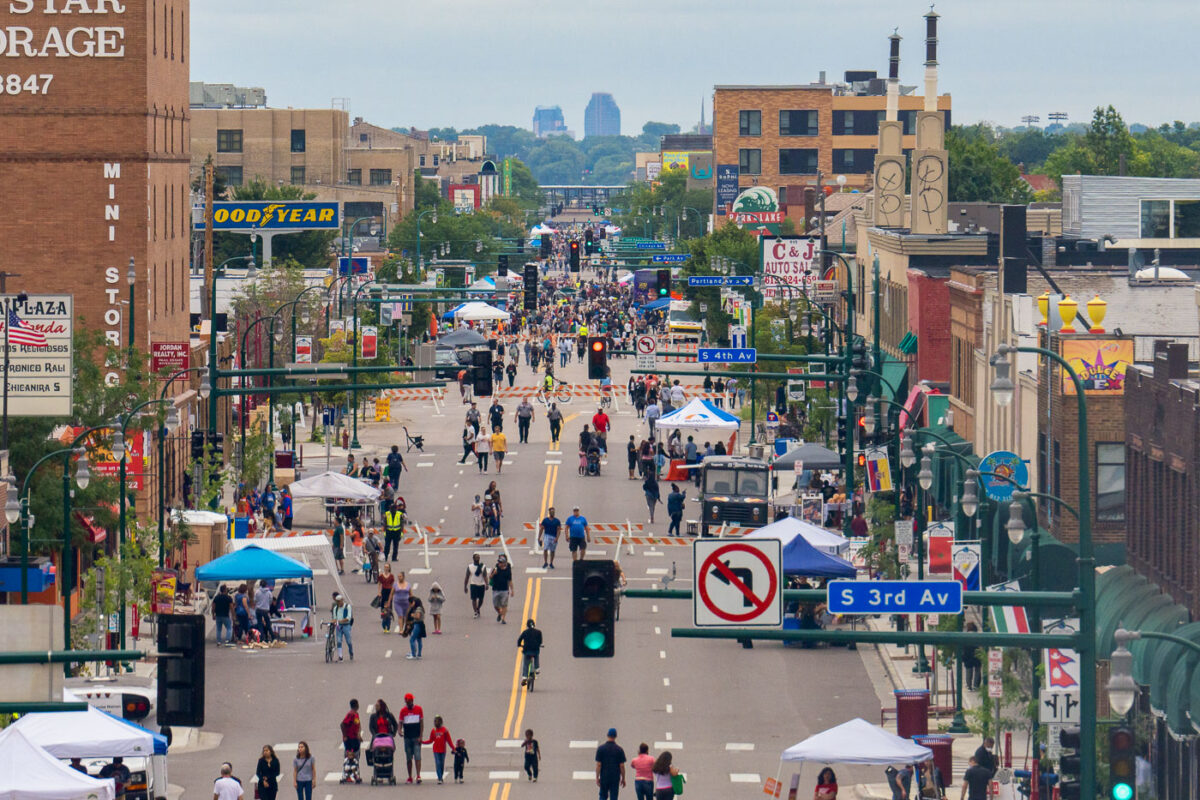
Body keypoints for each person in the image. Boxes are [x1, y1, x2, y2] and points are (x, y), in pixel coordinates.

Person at [399, 693, 425, 784]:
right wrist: (399, 731)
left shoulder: (419, 709)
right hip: (407, 738)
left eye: (410, 701)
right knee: (409, 758)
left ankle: (418, 775)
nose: (409, 702)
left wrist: (421, 736)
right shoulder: (403, 711)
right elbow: (400, 722)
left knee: (418, 757)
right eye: (407, 701)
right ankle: (410, 776)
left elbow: (421, 723)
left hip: (416, 737)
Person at [595, 728, 626, 800]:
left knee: (603, 795)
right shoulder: (619, 749)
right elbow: (622, 766)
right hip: (615, 777)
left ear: (607, 735)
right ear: (615, 736)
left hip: (604, 776)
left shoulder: (601, 749)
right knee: (614, 796)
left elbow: (599, 765)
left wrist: (597, 777)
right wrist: (623, 778)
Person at [424, 715, 454, 785]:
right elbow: (430, 741)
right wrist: (422, 742)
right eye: (435, 722)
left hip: (443, 750)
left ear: (441, 722)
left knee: (441, 764)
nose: (436, 723)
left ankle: (441, 775)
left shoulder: (445, 731)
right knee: (437, 763)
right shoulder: (433, 731)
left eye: (437, 722)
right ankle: (439, 778)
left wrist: (454, 748)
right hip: (436, 750)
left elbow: (449, 741)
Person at [339, 700, 362, 784]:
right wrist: (345, 736)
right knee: (350, 757)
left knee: (356, 757)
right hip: (350, 739)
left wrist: (359, 736)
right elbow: (342, 724)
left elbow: (357, 725)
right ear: (356, 705)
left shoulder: (356, 714)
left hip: (355, 738)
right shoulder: (351, 714)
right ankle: (348, 775)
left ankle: (355, 775)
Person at [517, 618, 543, 685]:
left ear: (527, 625)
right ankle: (537, 668)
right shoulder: (539, 632)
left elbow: (519, 639)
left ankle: (524, 677)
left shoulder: (525, 632)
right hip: (535, 650)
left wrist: (519, 645)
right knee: (536, 656)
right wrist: (539, 644)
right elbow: (540, 641)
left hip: (527, 650)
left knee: (526, 663)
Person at [491, 553, 514, 624]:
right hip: (496, 589)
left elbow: (510, 581)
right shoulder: (495, 569)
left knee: (504, 604)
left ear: (504, 563)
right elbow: (490, 577)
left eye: (501, 562)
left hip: (504, 590)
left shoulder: (507, 571)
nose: (499, 564)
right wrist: (493, 574)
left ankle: (503, 619)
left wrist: (512, 590)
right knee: (495, 605)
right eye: (499, 562)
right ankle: (500, 613)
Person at [465, 553, 489, 618]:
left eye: (478, 557)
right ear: (473, 559)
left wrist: (487, 584)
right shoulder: (470, 567)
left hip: (481, 584)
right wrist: (465, 586)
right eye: (476, 557)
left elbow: (485, 576)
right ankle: (475, 612)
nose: (477, 558)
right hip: (473, 584)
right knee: (474, 599)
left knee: (481, 599)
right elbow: (467, 577)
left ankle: (478, 608)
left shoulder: (483, 566)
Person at [331, 593, 353, 661]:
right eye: (337, 601)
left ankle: (351, 652)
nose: (338, 603)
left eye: (339, 601)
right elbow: (334, 617)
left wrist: (340, 621)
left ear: (342, 600)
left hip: (346, 625)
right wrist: (333, 622)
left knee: (348, 641)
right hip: (339, 626)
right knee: (339, 641)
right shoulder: (335, 608)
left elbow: (348, 618)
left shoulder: (347, 607)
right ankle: (340, 656)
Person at [963, 625, 984, 691]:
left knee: (968, 671)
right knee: (977, 670)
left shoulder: (965, 636)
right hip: (977, 655)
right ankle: (976, 685)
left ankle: (969, 686)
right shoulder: (978, 636)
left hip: (967, 655)